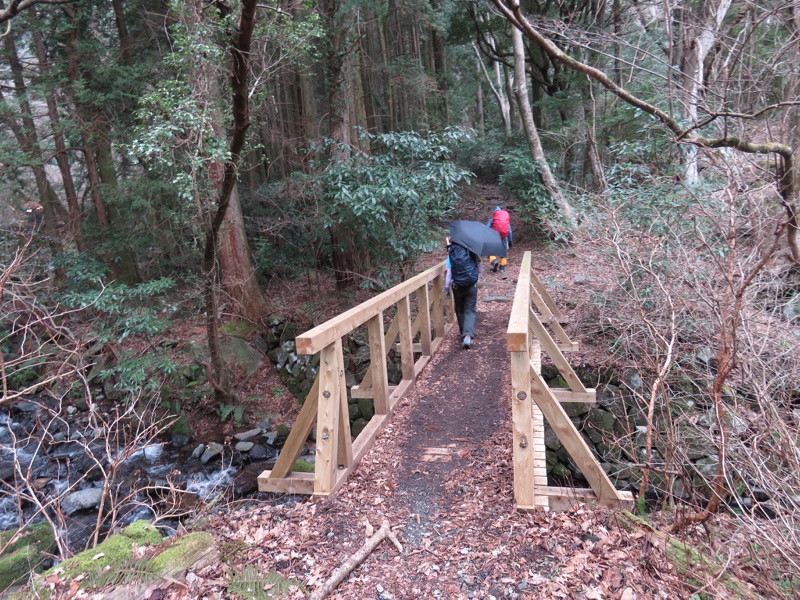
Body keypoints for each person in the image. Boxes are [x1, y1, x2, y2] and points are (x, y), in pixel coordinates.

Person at [445, 238, 482, 349]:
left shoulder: (452, 252)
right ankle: (468, 335)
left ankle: (463, 333)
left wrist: (447, 288)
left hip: (457, 286)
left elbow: (448, 274)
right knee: (470, 310)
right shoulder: (472, 251)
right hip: (471, 286)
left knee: (460, 309)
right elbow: (480, 270)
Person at [487, 205, 512, 273]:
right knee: (503, 252)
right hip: (503, 237)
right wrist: (510, 241)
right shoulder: (505, 220)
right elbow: (509, 231)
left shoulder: (492, 220)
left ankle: (494, 261)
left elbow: (486, 229)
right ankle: (502, 267)